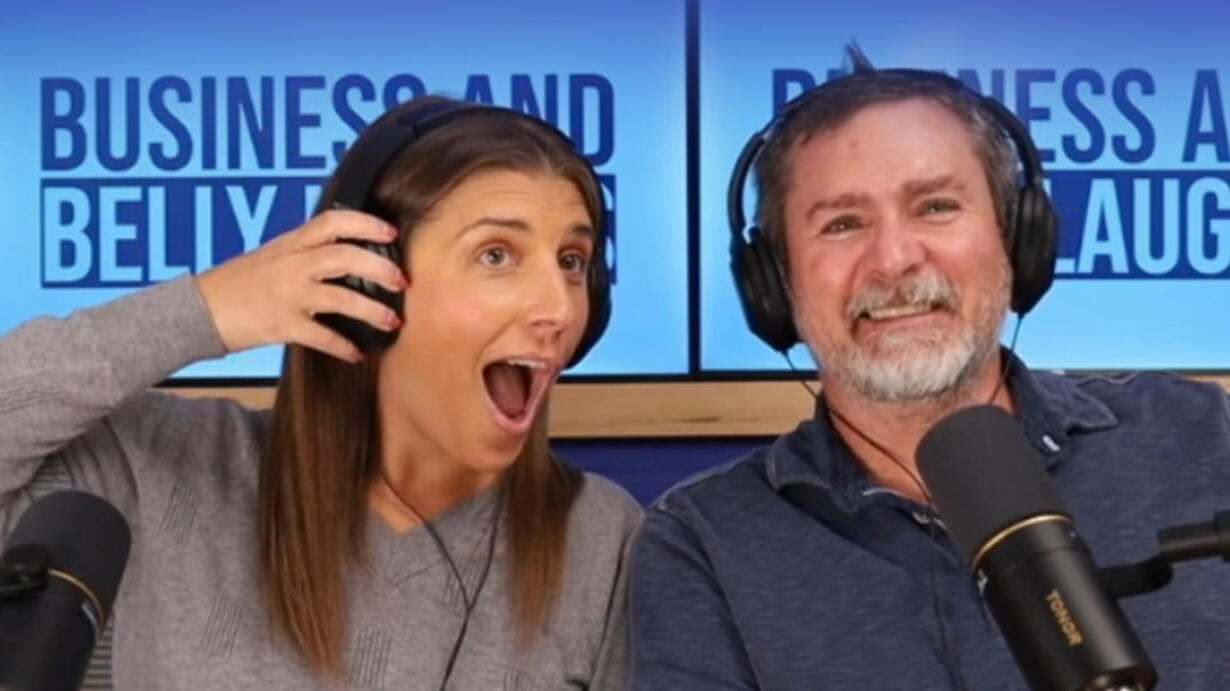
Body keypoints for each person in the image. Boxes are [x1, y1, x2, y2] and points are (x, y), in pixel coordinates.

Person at [627, 46, 1230, 689]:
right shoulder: (702, 541)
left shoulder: (1201, 436)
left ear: (1017, 239)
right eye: (842, 224)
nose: (893, 259)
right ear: (774, 285)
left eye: (936, 207)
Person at [0, 96, 641, 690]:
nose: (559, 308)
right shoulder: (167, 466)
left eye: (572, 262)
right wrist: (206, 310)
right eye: (496, 255)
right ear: (366, 281)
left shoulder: (603, 540)